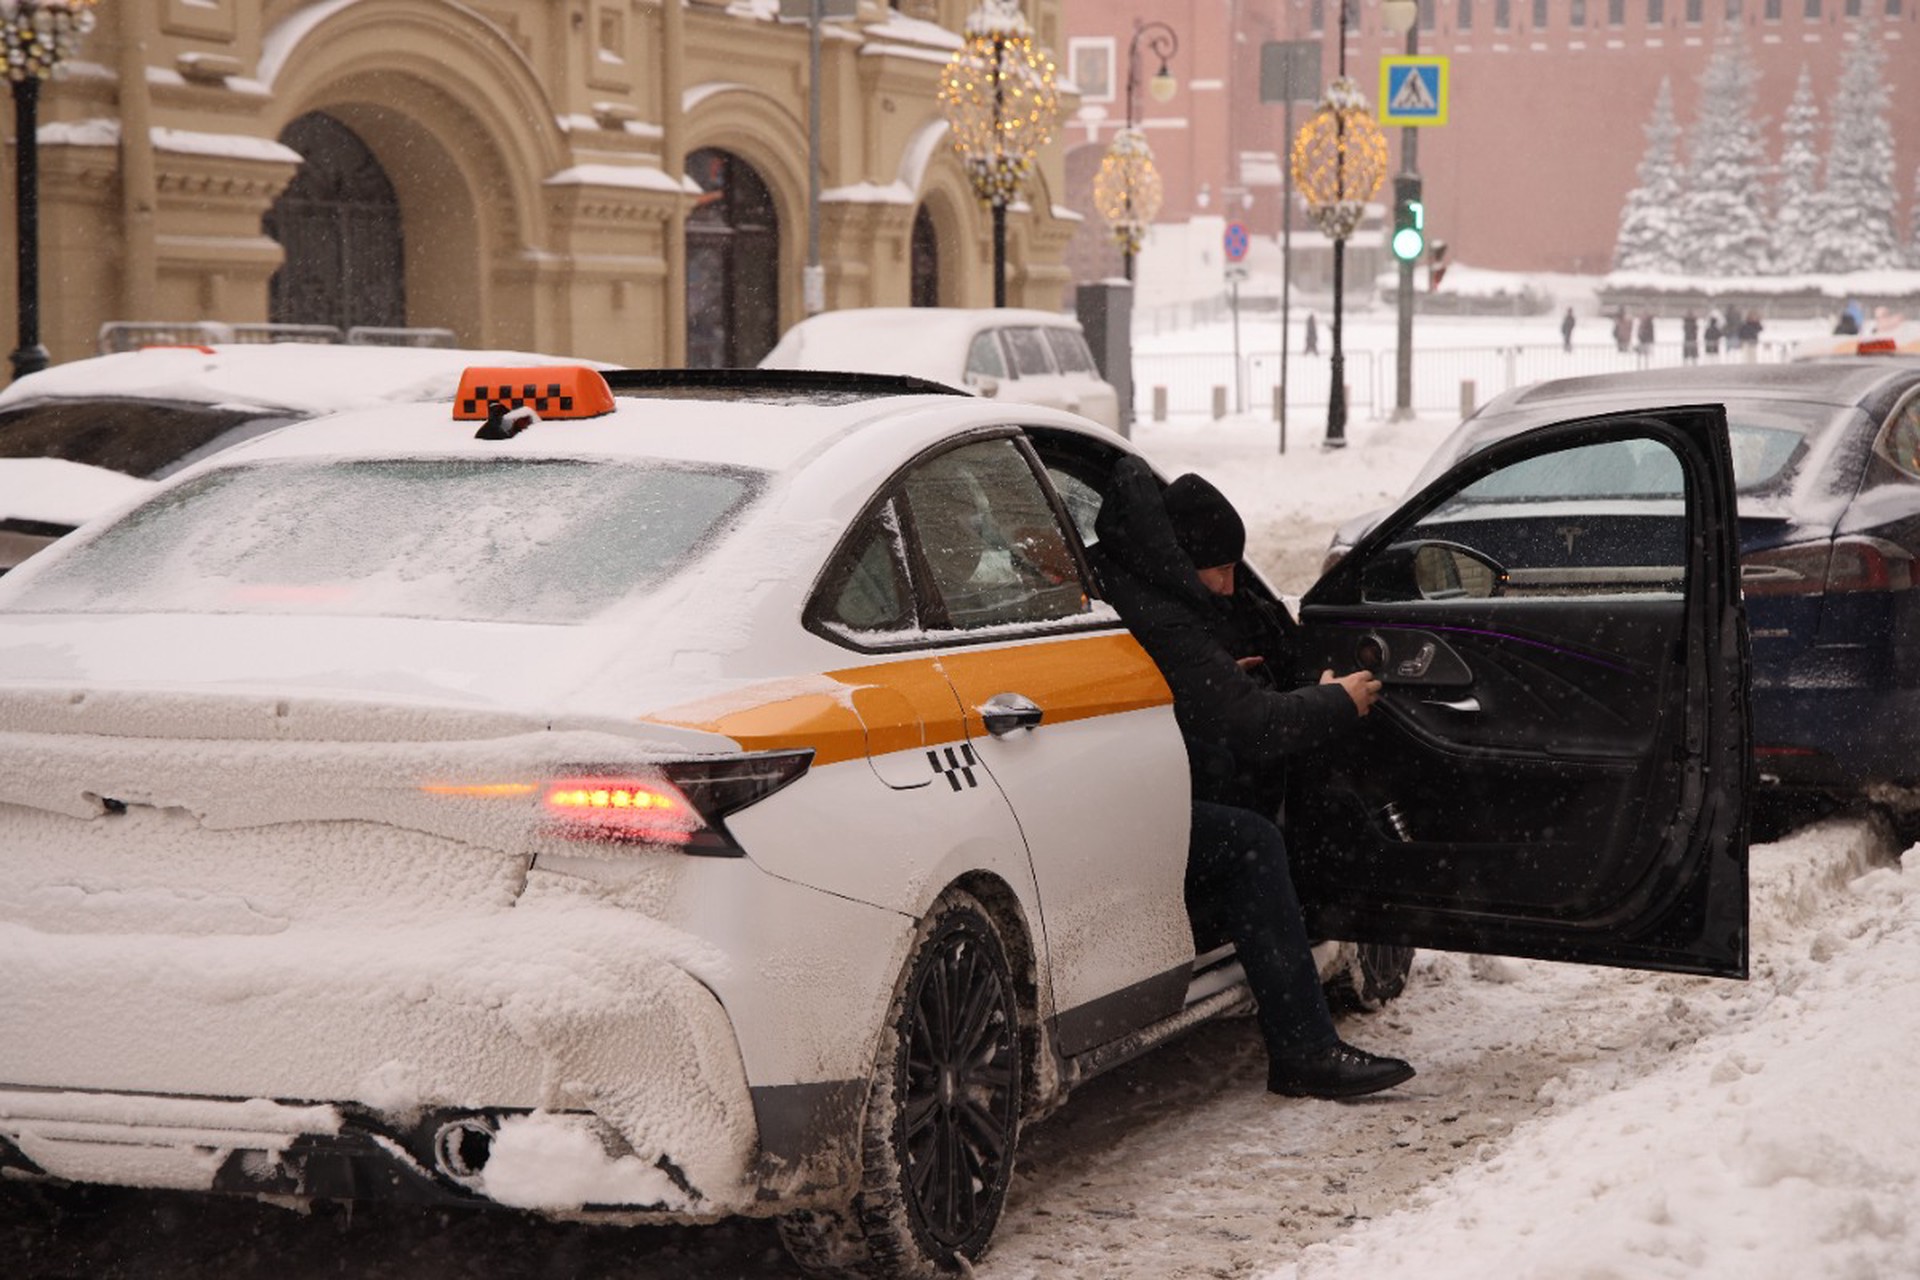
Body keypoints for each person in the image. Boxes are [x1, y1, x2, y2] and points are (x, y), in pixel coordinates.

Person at [1089, 458, 1416, 1100]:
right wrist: (1336, 702)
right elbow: (1252, 725)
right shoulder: (1161, 607)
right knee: (1251, 844)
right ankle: (1304, 1051)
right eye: (1223, 568)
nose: (1230, 585)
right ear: (1187, 558)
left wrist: (1222, 679)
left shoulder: (1131, 576)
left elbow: (1197, 691)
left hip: (1105, 788)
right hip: (1112, 814)